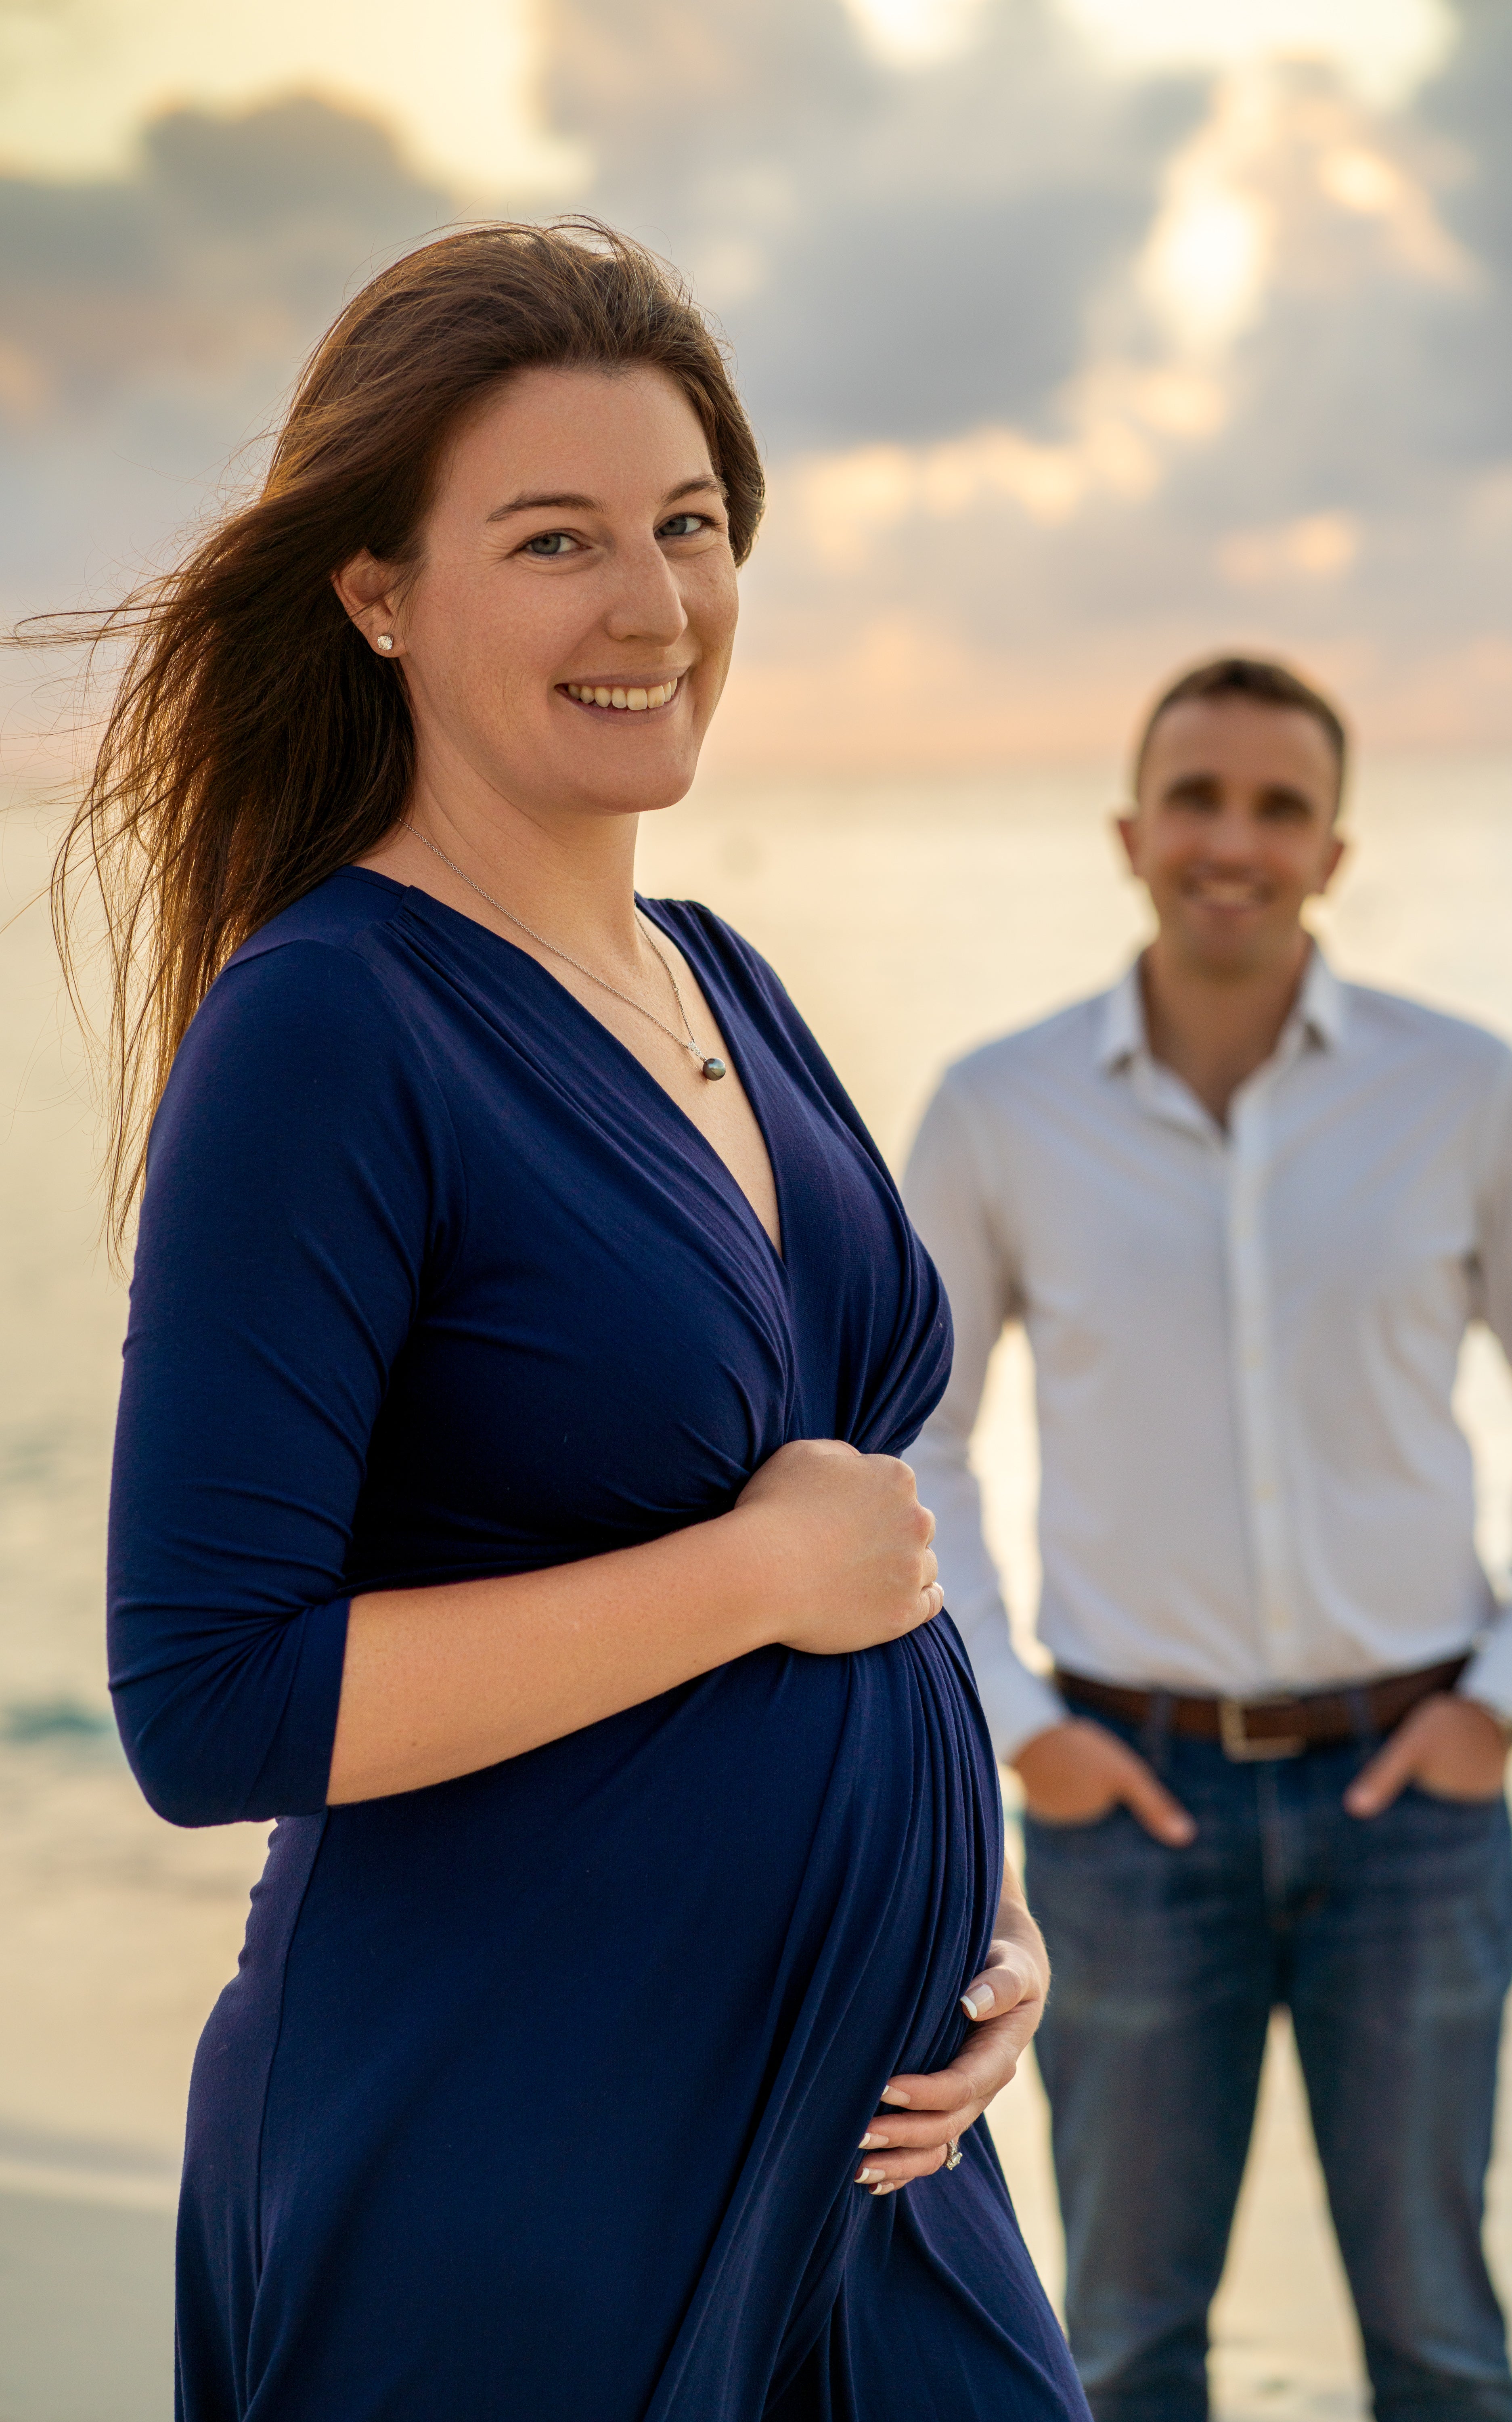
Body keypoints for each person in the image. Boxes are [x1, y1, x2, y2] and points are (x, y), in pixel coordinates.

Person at [62, 223, 1088, 2419]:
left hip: (872, 2149)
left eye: (691, 527)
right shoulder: (328, 1027)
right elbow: (210, 1699)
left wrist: (979, 1913)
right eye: (557, 541)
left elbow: (864, 1561)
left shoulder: (727, 976)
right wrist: (752, 1581)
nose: (655, 607)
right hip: (512, 2153)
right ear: (375, 593)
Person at [903, 655, 1512, 2422]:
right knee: (1126, 2341)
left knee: (1439, 2339)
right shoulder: (1000, 1111)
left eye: (1278, 806)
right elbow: (905, 1433)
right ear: (1128, 832)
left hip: (1414, 1804)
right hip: (1125, 1809)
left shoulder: (1465, 1095)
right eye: (1198, 799)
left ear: (1334, 848)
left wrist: (1510, 1693)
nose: (1234, 839)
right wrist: (1020, 1726)